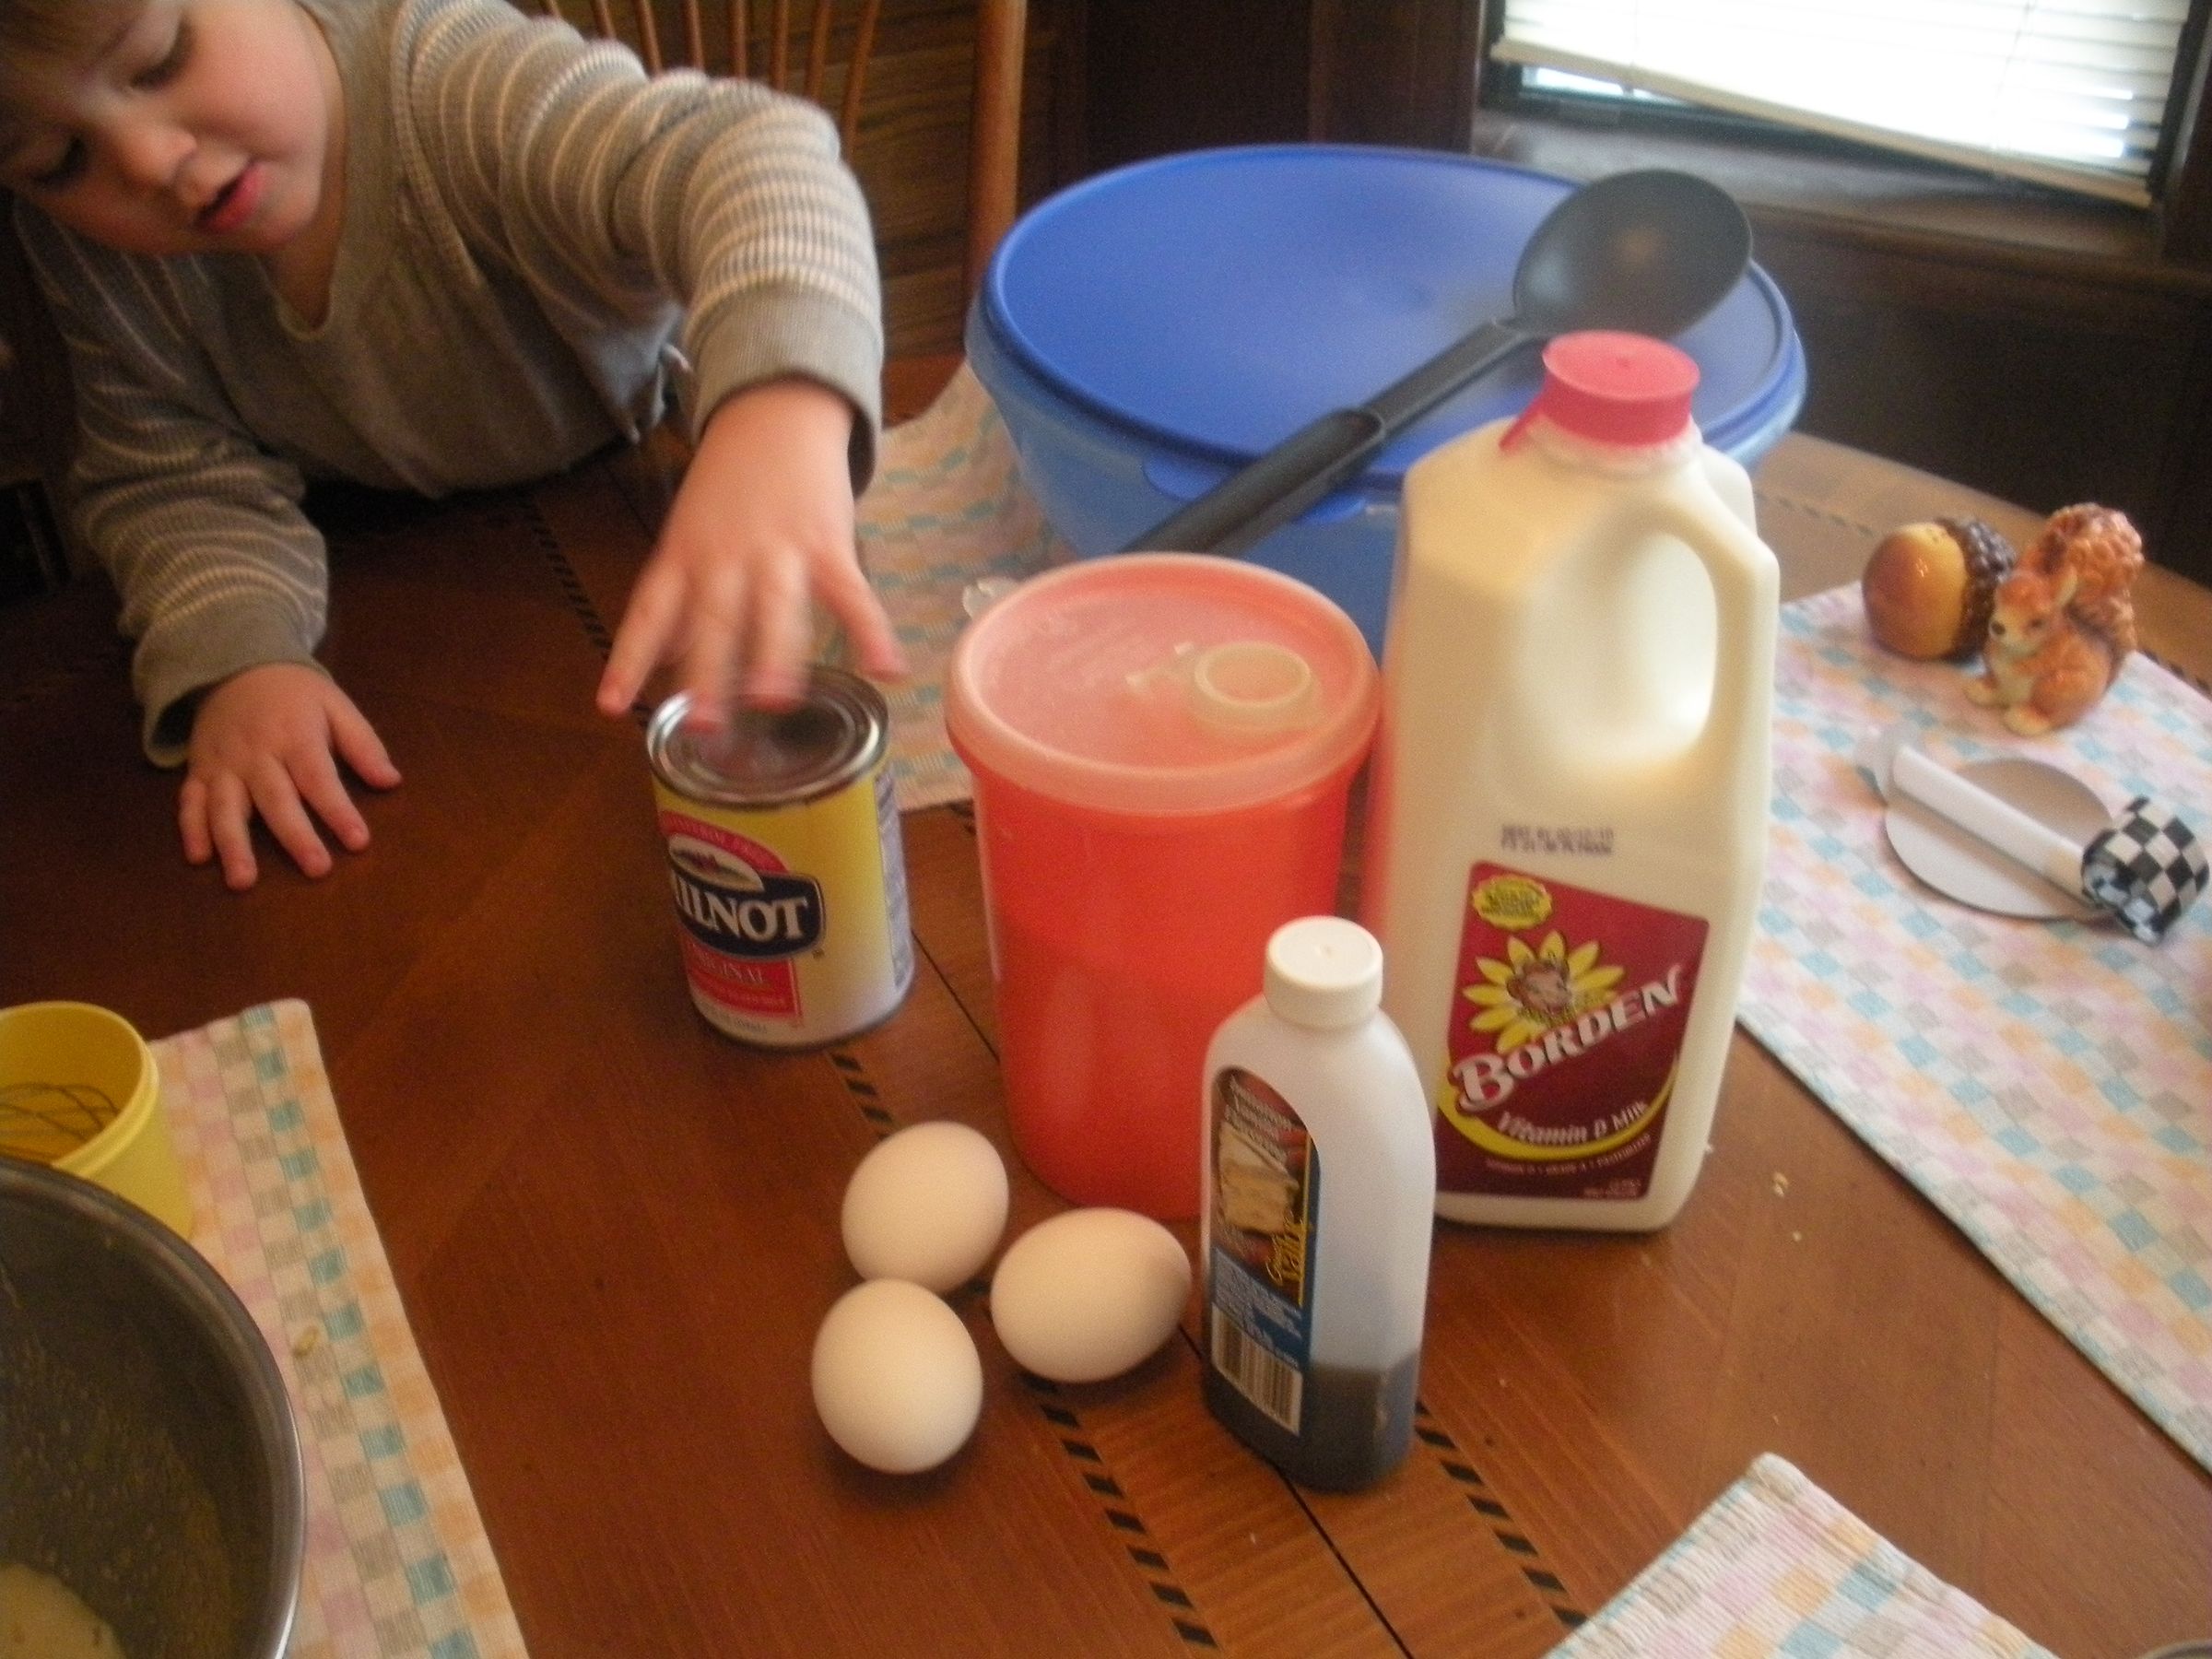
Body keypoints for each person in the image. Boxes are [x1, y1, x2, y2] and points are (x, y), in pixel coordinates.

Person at [0, 0, 907, 889]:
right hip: (402, 628)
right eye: (60, 160)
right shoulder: (101, 261)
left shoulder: (462, 87)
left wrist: (779, 410)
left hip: (631, 524)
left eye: (161, 60)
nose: (151, 160)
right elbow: (173, 480)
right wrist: (240, 655)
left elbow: (752, 154)